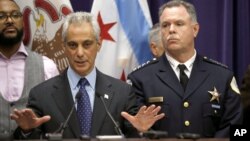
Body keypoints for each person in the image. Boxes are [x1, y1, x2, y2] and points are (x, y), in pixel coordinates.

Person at [10, 12, 165, 139]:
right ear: (63, 47)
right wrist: (26, 131)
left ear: (99, 44)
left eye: (87, 44)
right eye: (72, 45)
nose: (79, 53)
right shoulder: (41, 95)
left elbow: (131, 135)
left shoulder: (123, 93)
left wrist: (140, 131)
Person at [127, 0, 242, 138]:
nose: (171, 30)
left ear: (195, 29)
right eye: (165, 25)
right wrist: (138, 131)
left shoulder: (222, 77)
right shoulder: (140, 79)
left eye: (179, 24)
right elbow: (131, 130)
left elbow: (236, 129)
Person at [0, 0, 59, 139]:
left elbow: (55, 121)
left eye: (15, 15)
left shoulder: (47, 67)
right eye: (1, 16)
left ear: (23, 21)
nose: (9, 20)